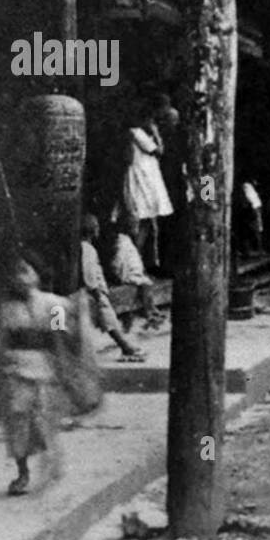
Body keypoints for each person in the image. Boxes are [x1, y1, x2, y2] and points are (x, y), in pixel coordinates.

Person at [0, 248, 102, 496]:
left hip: (44, 369)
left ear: (37, 274)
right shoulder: (4, 308)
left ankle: (51, 458)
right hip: (14, 370)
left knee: (43, 420)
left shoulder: (53, 304)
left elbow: (63, 338)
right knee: (17, 422)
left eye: (25, 271)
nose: (19, 278)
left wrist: (78, 312)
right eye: (14, 273)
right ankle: (23, 472)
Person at [79, 215, 146, 362]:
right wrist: (97, 294)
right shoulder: (87, 249)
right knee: (107, 316)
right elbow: (89, 275)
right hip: (94, 291)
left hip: (96, 289)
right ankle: (125, 346)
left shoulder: (85, 247)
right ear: (92, 231)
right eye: (96, 227)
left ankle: (125, 345)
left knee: (107, 318)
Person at [121, 98, 175, 275]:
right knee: (141, 222)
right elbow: (159, 151)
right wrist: (156, 133)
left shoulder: (137, 133)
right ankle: (137, 264)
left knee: (147, 223)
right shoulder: (137, 133)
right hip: (142, 179)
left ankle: (145, 262)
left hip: (146, 178)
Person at [109, 213, 161, 329]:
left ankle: (151, 310)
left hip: (131, 271)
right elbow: (118, 259)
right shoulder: (122, 242)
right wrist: (118, 273)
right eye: (135, 226)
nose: (137, 229)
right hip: (127, 273)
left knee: (146, 282)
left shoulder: (127, 240)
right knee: (146, 284)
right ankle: (149, 312)